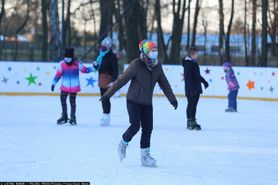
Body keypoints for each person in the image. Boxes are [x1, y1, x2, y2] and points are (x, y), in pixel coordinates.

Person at [100, 40, 178, 167]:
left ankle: (145, 156)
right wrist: (107, 94)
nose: (155, 52)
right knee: (135, 126)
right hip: (133, 101)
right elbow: (121, 80)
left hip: (147, 102)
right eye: (152, 50)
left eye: (156, 50)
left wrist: (172, 99)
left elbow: (164, 83)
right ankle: (123, 143)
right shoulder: (136, 64)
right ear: (146, 52)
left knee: (148, 128)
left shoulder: (157, 66)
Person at [51, 47, 93, 125]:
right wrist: (53, 83)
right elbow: (58, 74)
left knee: (71, 102)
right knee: (65, 101)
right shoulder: (62, 64)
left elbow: (85, 70)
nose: (67, 61)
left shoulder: (76, 63)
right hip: (65, 87)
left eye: (69, 58)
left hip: (73, 87)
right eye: (66, 58)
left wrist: (94, 68)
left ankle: (72, 117)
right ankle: (65, 116)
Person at [93, 36, 118, 126]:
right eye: (102, 45)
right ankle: (105, 114)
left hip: (108, 80)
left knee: (105, 98)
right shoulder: (101, 55)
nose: (102, 47)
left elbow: (115, 70)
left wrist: (113, 81)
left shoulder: (112, 56)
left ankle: (107, 116)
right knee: (103, 98)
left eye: (104, 46)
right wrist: (96, 66)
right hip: (102, 79)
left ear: (108, 47)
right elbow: (99, 67)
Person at [182, 47, 209, 130]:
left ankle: (193, 120)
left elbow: (197, 76)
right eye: (196, 54)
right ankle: (189, 121)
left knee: (194, 105)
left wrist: (204, 82)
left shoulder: (194, 63)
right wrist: (191, 89)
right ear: (191, 55)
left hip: (196, 89)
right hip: (191, 89)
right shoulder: (188, 64)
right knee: (191, 104)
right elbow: (188, 78)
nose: (197, 56)